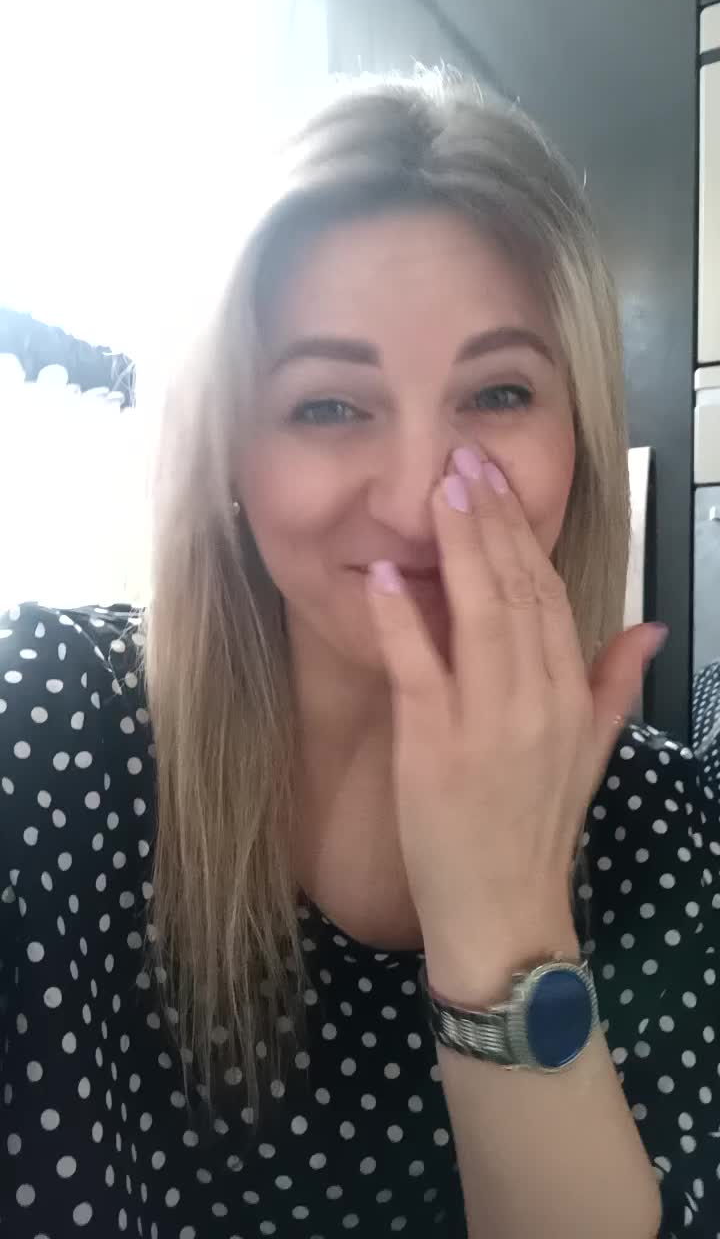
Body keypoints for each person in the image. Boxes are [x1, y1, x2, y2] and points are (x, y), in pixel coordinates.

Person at [0, 71, 717, 1239]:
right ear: (230, 455)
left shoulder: (658, 825)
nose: (419, 494)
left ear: (579, 438)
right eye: (329, 406)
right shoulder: (41, 731)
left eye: (499, 391)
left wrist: (504, 924)